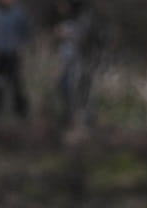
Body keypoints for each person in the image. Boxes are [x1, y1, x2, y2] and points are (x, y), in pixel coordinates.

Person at [52, 0, 95, 131]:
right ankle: (71, 116)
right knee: (64, 87)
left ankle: (82, 117)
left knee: (76, 89)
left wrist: (67, 34)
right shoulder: (64, 20)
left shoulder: (82, 19)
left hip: (77, 61)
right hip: (67, 61)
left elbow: (83, 37)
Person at [0, 0, 30, 118]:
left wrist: (21, 46)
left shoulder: (19, 14)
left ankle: (21, 113)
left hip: (12, 53)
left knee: (16, 84)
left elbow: (25, 33)